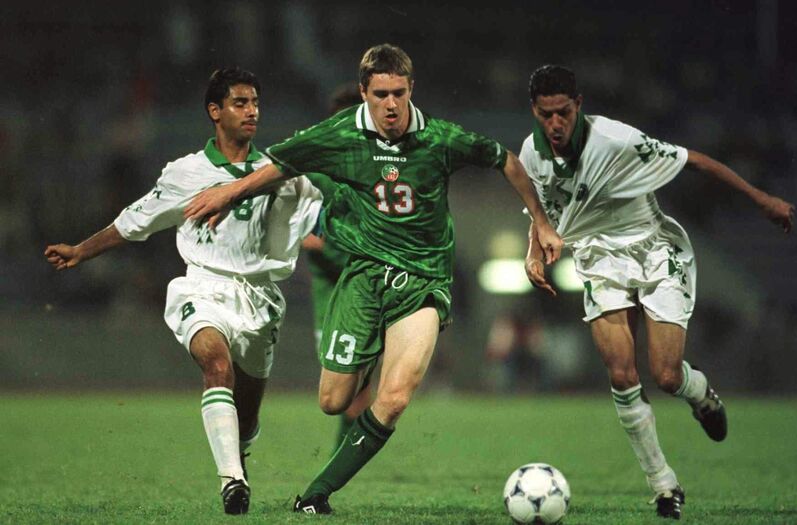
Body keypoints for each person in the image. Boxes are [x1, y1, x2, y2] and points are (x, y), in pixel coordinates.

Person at [184, 43, 563, 514]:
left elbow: (506, 159)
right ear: (364, 92)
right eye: (380, 93)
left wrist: (540, 224)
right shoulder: (341, 133)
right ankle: (373, 346)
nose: (390, 104)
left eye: (398, 93)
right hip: (363, 279)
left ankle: (316, 495)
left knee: (395, 397)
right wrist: (229, 193)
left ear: (411, 90)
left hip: (423, 280)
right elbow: (280, 165)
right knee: (332, 400)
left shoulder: (440, 138)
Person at [520, 65, 794, 520]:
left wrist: (761, 199)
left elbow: (696, 161)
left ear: (579, 106)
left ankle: (700, 393)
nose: (555, 124)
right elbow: (541, 212)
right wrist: (533, 252)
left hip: (652, 250)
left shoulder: (617, 140)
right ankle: (664, 485)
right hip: (599, 260)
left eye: (563, 113)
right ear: (535, 110)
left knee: (665, 375)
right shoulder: (532, 153)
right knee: (622, 375)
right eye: (546, 114)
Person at [44, 68, 322, 515]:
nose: (252, 111)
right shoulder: (186, 172)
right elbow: (136, 220)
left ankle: (239, 456)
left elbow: (320, 209)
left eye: (255, 102)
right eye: (239, 103)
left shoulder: (278, 171)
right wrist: (82, 250)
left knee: (247, 416)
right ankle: (232, 481)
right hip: (202, 285)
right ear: (215, 111)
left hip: (260, 297)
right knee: (215, 364)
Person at [300, 84, 373, 453]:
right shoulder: (316, 175)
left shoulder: (380, 170)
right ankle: (347, 454)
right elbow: (307, 237)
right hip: (332, 293)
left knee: (365, 387)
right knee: (340, 393)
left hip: (374, 286)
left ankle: (342, 461)